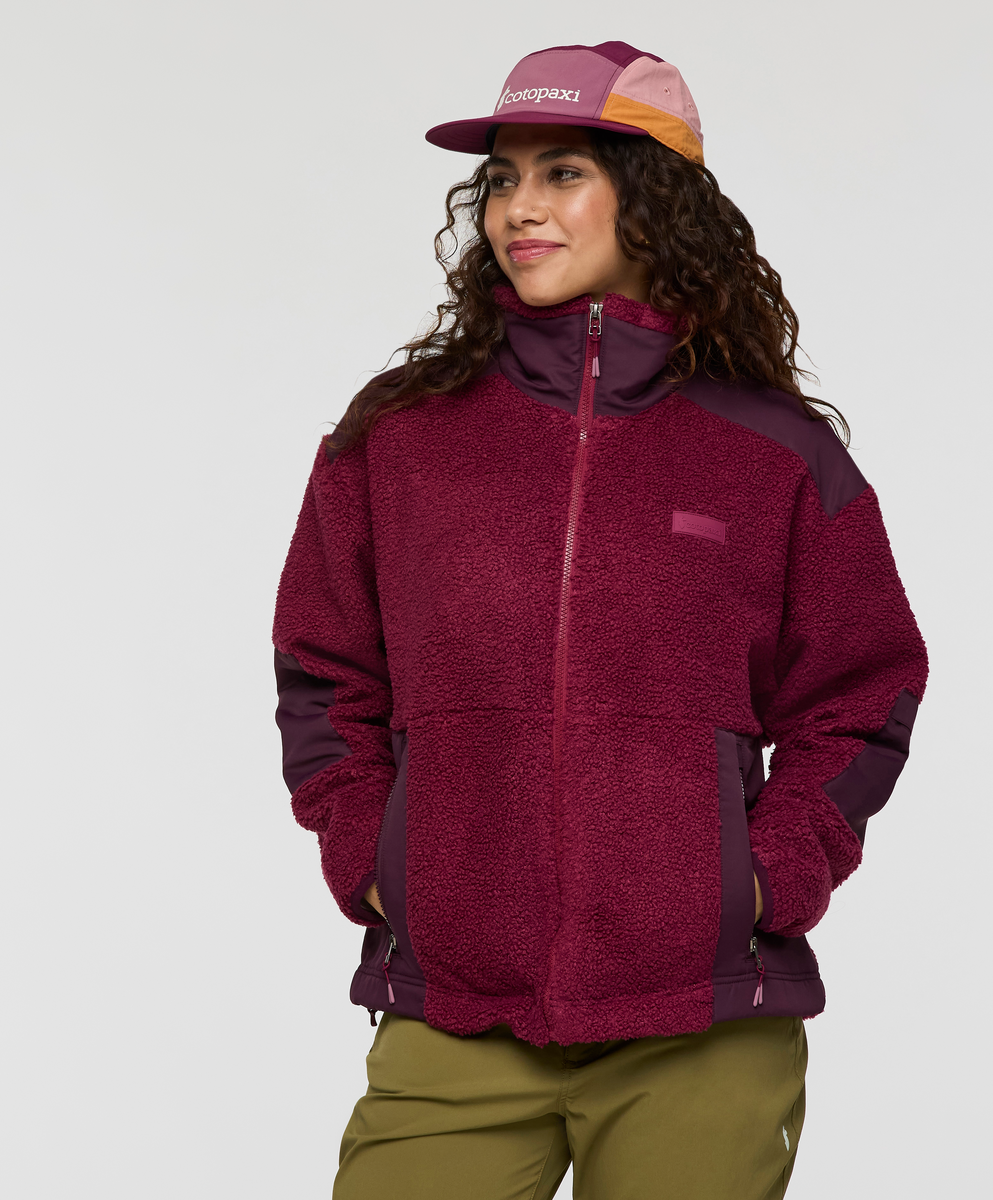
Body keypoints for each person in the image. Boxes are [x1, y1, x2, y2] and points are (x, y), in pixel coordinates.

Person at [272, 40, 929, 1200]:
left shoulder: (773, 453)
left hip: (700, 1023)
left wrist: (761, 882)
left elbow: (861, 691)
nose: (518, 208)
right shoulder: (399, 438)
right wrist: (376, 860)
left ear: (655, 195)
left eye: (562, 172)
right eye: (502, 178)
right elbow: (326, 671)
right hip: (456, 1015)